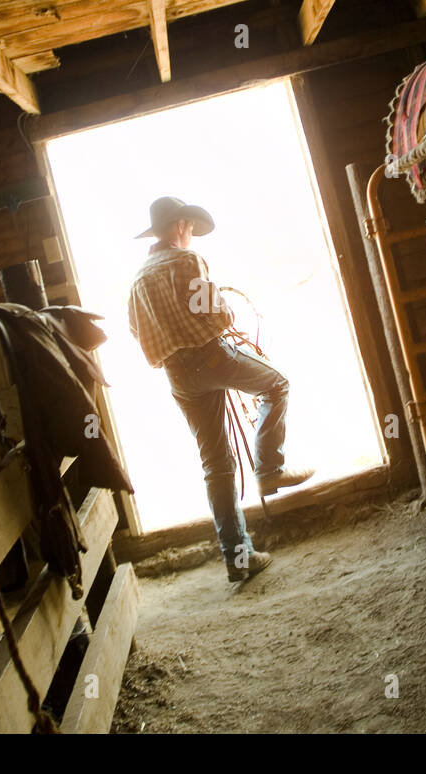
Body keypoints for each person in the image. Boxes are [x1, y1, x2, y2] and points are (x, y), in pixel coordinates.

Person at [128, 196, 313, 583]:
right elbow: (217, 313)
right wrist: (225, 309)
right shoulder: (186, 261)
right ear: (180, 225)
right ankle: (269, 470)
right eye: (190, 226)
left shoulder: (139, 278)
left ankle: (238, 558)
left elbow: (137, 331)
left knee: (215, 462)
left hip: (178, 377)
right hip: (212, 358)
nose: (191, 233)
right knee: (276, 384)